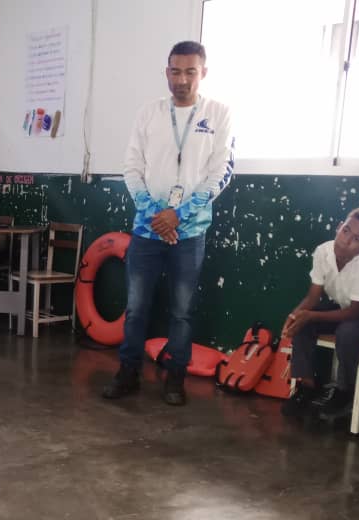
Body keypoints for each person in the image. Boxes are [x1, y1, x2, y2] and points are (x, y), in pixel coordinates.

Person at [104, 40, 235, 406]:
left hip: (189, 232)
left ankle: (175, 379)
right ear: (167, 73)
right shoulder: (148, 114)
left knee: (181, 310)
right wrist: (154, 215)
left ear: (203, 73)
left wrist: (178, 215)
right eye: (175, 71)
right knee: (136, 307)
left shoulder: (219, 114)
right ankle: (127, 372)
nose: (182, 79)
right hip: (147, 231)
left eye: (190, 72)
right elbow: (132, 168)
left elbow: (220, 173)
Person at [280, 207, 359, 421]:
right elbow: (313, 297)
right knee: (304, 321)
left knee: (347, 331)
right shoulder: (323, 251)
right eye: (345, 231)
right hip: (345, 311)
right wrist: (295, 315)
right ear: (339, 227)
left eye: (357, 239)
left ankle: (344, 391)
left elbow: (356, 311)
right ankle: (307, 386)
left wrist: (312, 316)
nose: (346, 241)